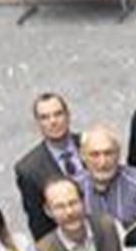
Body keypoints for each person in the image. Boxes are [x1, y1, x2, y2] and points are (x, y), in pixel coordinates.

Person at [14, 92, 85, 240]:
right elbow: (39, 225)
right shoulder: (28, 169)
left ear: (68, 115)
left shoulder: (92, 144)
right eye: (45, 117)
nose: (53, 121)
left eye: (58, 114)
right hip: (68, 248)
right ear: (37, 123)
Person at [78, 124, 136, 227]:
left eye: (108, 153)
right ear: (82, 156)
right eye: (95, 155)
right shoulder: (74, 187)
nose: (103, 162)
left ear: (119, 153)